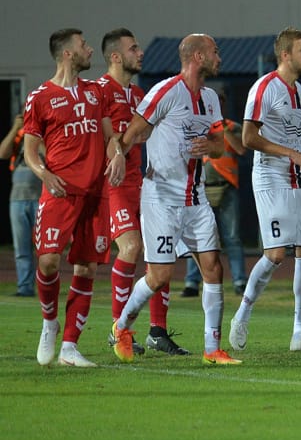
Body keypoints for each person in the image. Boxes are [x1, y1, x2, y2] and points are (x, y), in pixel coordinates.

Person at [111, 34, 240, 365]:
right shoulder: (165, 92)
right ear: (198, 56)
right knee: (160, 277)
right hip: (162, 197)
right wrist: (119, 155)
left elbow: (218, 144)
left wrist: (208, 148)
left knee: (213, 268)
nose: (220, 58)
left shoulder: (210, 97)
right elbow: (135, 131)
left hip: (195, 198)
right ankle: (122, 327)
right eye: (215, 52)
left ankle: (213, 349)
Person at [230, 28, 301, 353]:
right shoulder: (265, 87)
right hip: (271, 178)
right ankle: (243, 312)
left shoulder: (298, 90)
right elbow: (248, 138)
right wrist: (289, 153)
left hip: (298, 178)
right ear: (285, 55)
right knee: (277, 254)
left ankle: (300, 333)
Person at [24, 28, 114, 367]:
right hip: (60, 190)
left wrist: (116, 152)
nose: (90, 50)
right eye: (83, 45)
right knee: (48, 261)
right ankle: (50, 322)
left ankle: (70, 348)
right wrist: (44, 173)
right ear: (66, 53)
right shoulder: (40, 97)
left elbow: (110, 136)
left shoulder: (96, 92)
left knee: (86, 267)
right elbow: (30, 148)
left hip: (95, 192)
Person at [97, 28, 182, 356]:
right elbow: (102, 137)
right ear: (116, 56)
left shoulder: (139, 94)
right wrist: (115, 151)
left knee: (161, 254)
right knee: (130, 248)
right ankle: (119, 329)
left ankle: (157, 331)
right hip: (112, 185)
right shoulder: (99, 91)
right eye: (134, 49)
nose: (140, 53)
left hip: (143, 184)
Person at [183, 92, 247, 296]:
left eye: (219, 105)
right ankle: (192, 283)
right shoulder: (198, 125)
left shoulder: (233, 126)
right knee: (198, 237)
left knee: (232, 236)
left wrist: (223, 128)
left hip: (226, 185)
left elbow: (241, 149)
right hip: (201, 187)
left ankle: (239, 281)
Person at [2, 113, 38, 297]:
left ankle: (48, 285)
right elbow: (3, 152)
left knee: (45, 248)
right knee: (21, 247)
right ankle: (25, 287)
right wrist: (16, 128)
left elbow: (50, 157)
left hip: (40, 198)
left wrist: (36, 135)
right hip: (17, 199)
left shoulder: (44, 135)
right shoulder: (18, 136)